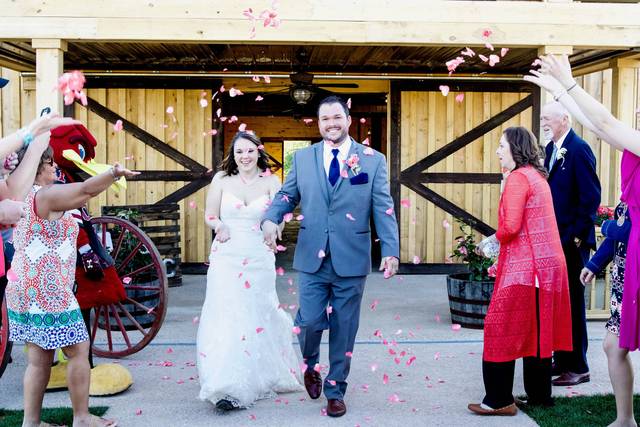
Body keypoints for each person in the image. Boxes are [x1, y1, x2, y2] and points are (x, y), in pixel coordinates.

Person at [261, 96, 400, 418]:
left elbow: (383, 206)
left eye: (337, 117)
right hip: (312, 256)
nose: (331, 124)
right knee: (308, 322)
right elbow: (287, 194)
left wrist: (391, 250)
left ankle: (336, 389)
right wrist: (271, 217)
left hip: (351, 258)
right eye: (325, 119)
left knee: (344, 326)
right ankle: (310, 366)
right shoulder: (304, 158)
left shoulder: (372, 160)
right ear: (319, 123)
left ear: (348, 120)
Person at [526, 53, 640, 427]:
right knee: (612, 344)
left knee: (614, 344)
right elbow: (599, 126)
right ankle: (625, 420)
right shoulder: (632, 142)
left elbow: (604, 121)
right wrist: (560, 90)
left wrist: (569, 83)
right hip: (628, 253)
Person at [5, 142, 137, 427]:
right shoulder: (46, 195)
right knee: (78, 349)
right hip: (47, 288)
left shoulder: (20, 195)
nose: (55, 167)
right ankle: (82, 417)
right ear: (37, 168)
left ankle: (32, 423)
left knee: (39, 360)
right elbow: (84, 191)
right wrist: (113, 173)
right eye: (50, 163)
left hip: (25, 287)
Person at [468, 127, 572, 416]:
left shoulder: (517, 178)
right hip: (547, 267)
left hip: (527, 268)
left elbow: (510, 227)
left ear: (515, 149)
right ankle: (540, 397)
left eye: (501, 146)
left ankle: (498, 400)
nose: (498, 151)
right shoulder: (536, 176)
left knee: (498, 328)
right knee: (536, 332)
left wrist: (489, 244)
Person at [197, 131, 303, 412]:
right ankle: (226, 383)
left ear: (259, 152)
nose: (244, 157)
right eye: (239, 152)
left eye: (250, 151)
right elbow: (210, 214)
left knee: (257, 312)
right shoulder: (221, 180)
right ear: (233, 155)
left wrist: (275, 231)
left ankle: (257, 374)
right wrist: (218, 226)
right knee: (227, 315)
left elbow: (278, 217)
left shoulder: (271, 181)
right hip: (227, 255)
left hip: (258, 256)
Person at [539, 101, 600, 386]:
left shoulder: (578, 149)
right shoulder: (551, 150)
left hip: (573, 243)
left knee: (574, 304)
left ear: (565, 118)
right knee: (559, 304)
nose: (544, 123)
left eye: (548, 119)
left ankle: (579, 366)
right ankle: (562, 359)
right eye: (542, 119)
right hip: (554, 241)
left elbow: (591, 198)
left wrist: (576, 238)